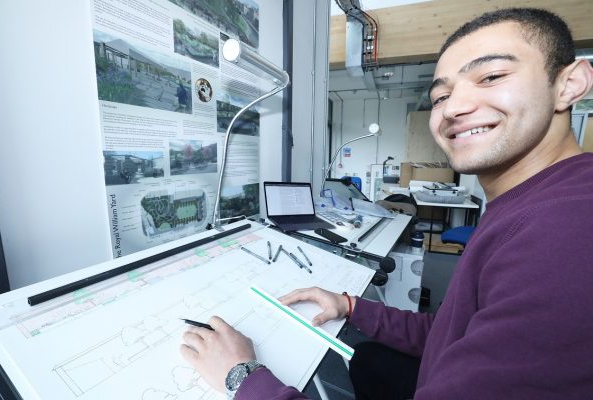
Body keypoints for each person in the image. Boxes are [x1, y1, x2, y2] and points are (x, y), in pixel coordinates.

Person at [180, 7, 593, 399]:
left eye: (491, 76)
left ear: (570, 83)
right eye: (441, 95)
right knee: (368, 359)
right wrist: (350, 305)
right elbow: (450, 333)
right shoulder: (534, 203)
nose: (456, 107)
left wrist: (242, 377)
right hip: (436, 367)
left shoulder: (566, 234)